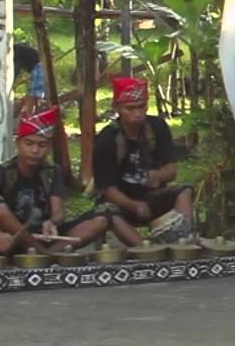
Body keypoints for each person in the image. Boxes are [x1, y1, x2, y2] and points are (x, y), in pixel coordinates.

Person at [0, 107, 106, 256]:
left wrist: (51, 222)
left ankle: (45, 254)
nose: (35, 150)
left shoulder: (52, 172)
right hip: (9, 239)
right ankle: (44, 255)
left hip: (42, 236)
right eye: (29, 144)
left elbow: (58, 213)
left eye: (42, 145)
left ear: (49, 147)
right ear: (18, 144)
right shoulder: (0, 172)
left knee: (100, 219)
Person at [79, 76, 192, 247]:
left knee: (184, 191)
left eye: (142, 107)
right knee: (106, 212)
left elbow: (171, 170)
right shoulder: (107, 139)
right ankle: (146, 250)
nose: (138, 114)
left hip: (152, 197)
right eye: (130, 108)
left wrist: (157, 175)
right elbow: (107, 189)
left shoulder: (157, 127)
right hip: (119, 202)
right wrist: (133, 205)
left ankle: (184, 240)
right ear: (116, 107)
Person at [15, 43, 47, 117]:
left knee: (33, 96)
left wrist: (13, 81)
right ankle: (29, 114)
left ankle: (30, 116)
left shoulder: (15, 52)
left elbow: (17, 67)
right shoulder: (19, 48)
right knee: (34, 95)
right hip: (39, 67)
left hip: (39, 67)